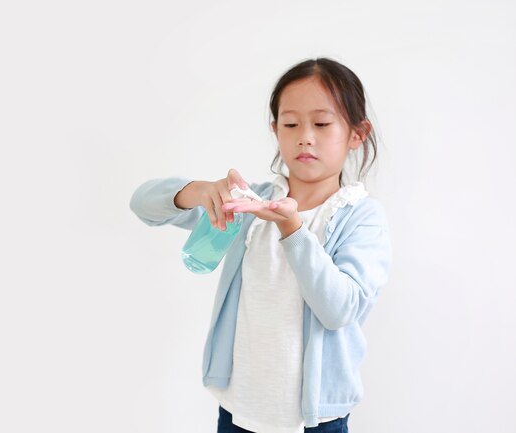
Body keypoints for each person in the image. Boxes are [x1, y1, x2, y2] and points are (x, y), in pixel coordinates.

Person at [129, 57, 392, 433]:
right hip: (239, 411)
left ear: (356, 133)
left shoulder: (360, 217)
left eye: (321, 123)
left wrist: (293, 229)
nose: (305, 135)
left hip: (315, 421)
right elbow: (142, 205)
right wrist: (200, 191)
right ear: (275, 130)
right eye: (290, 123)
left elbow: (339, 310)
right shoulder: (249, 205)